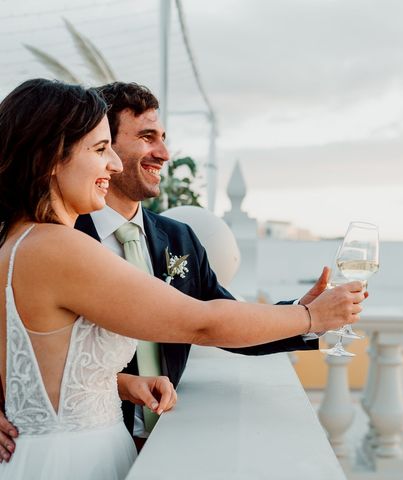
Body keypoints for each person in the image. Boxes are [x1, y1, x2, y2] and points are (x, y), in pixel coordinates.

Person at [0, 78, 364, 479]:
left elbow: (38, 352)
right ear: (53, 156)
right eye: (101, 149)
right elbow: (203, 321)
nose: (115, 164)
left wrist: (117, 384)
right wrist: (313, 318)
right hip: (70, 462)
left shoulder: (19, 239)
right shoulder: (59, 246)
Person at [74, 81, 337, 446]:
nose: (164, 153)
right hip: (85, 439)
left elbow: (221, 318)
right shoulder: (61, 237)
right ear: (105, 144)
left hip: (167, 438)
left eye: (163, 138)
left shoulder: (178, 238)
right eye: (147, 137)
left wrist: (303, 316)